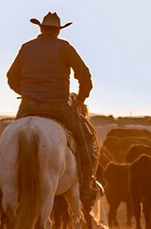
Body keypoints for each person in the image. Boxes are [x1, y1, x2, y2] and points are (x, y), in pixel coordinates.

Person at [7, 11, 99, 208]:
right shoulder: (64, 48)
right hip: (58, 106)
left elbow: (11, 77)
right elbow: (85, 75)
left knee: (8, 141)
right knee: (86, 139)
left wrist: (25, 92)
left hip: (28, 105)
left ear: (40, 28)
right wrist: (80, 99)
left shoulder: (26, 47)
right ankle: (86, 185)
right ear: (58, 31)